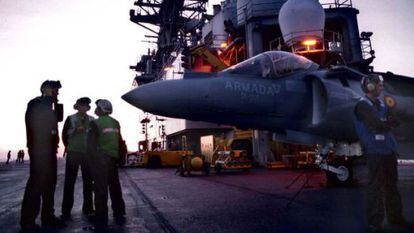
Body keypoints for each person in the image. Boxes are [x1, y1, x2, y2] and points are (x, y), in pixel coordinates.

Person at [354, 74, 408, 232]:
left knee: (392, 186)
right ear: (370, 87)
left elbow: (395, 120)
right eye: (379, 85)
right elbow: (376, 124)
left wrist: (385, 123)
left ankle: (396, 218)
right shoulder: (362, 105)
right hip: (374, 151)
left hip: (388, 151)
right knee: (375, 187)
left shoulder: (382, 105)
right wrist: (385, 123)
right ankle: (374, 223)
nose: (382, 87)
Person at [20, 80, 65, 232]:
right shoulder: (37, 103)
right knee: (36, 185)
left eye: (57, 91)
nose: (57, 93)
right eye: (54, 90)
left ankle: (48, 217)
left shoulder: (49, 106)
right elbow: (39, 126)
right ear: (45, 89)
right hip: (40, 151)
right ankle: (28, 223)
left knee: (49, 185)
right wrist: (50, 103)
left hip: (50, 151)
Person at [87, 99, 126, 229]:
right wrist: (120, 159)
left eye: (97, 107)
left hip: (100, 159)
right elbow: (120, 142)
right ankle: (119, 212)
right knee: (115, 186)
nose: (95, 109)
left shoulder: (95, 123)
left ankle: (101, 218)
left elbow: (91, 145)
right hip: (113, 159)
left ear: (102, 109)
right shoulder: (116, 123)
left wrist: (90, 163)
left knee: (100, 189)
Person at [61, 97, 95, 219]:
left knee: (88, 182)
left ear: (87, 107)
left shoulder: (92, 119)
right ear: (77, 106)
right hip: (73, 153)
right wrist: (70, 145)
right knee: (69, 182)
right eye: (82, 105)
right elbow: (64, 135)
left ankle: (88, 208)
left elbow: (94, 136)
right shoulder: (70, 118)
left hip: (87, 154)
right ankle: (66, 210)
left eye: (86, 105)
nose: (84, 107)